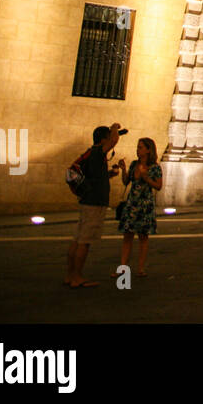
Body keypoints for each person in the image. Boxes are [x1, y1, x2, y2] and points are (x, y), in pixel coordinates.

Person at [65, 123, 122, 288]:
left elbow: (94, 177)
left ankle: (70, 275)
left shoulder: (91, 153)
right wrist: (115, 129)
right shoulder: (98, 151)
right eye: (109, 138)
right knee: (85, 241)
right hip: (94, 203)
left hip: (86, 200)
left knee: (77, 239)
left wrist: (109, 174)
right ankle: (77, 277)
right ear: (104, 139)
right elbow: (113, 141)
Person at [118, 137, 163, 276]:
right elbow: (127, 181)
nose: (138, 150)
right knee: (127, 236)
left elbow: (158, 186)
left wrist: (146, 177)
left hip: (145, 205)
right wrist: (124, 170)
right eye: (137, 147)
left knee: (143, 237)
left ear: (148, 150)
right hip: (132, 203)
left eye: (141, 147)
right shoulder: (134, 164)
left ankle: (140, 268)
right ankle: (123, 268)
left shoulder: (155, 167)